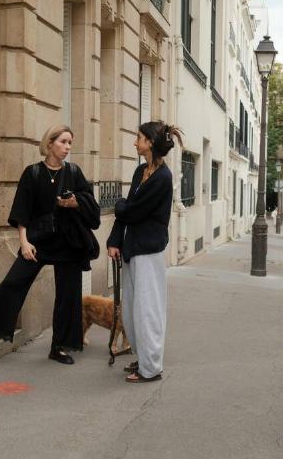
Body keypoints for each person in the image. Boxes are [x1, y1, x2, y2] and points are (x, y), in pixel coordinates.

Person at [0, 124, 100, 365]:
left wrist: (75, 203)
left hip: (69, 243)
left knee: (68, 295)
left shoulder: (74, 172)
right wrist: (24, 242)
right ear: (49, 143)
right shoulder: (32, 173)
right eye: (63, 142)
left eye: (70, 143)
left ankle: (59, 346)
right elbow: (22, 211)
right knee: (13, 283)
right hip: (38, 241)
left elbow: (91, 206)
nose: (67, 147)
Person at [107, 121, 182, 383]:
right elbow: (127, 212)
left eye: (137, 137)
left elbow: (132, 210)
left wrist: (120, 205)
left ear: (149, 142)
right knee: (131, 309)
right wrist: (114, 240)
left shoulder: (163, 178)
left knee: (147, 309)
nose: (134, 141)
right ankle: (143, 358)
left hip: (148, 251)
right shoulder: (142, 171)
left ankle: (151, 368)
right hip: (132, 248)